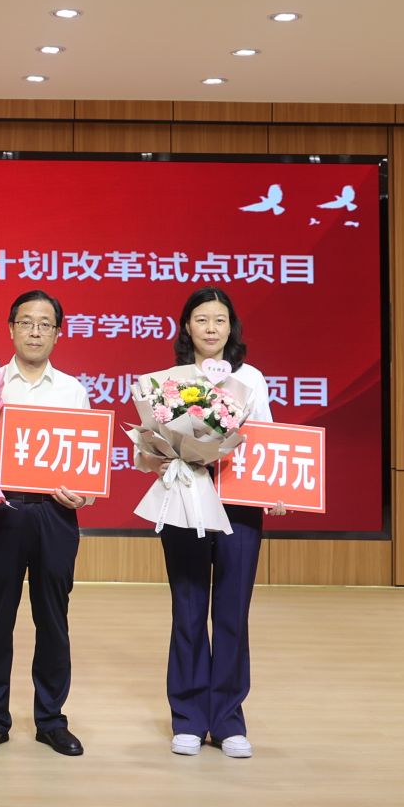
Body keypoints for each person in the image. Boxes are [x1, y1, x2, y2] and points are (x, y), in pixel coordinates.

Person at [137, 285, 282, 759]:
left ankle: (228, 720)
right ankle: (188, 717)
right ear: (187, 327)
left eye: (219, 320)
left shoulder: (251, 378)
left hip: (239, 504)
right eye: (202, 319)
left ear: (231, 327)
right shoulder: (169, 381)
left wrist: (275, 490)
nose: (211, 328)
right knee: (189, 609)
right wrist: (160, 456)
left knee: (232, 612)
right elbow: (149, 446)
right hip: (185, 498)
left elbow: (266, 439)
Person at [0, 290, 91, 758]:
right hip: (2, 510)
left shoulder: (72, 390)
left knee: (53, 619)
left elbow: (86, 458)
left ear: (57, 333)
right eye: (26, 322)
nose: (35, 332)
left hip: (56, 513)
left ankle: (51, 720)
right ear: (10, 328)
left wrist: (84, 493)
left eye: (45, 324)